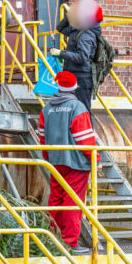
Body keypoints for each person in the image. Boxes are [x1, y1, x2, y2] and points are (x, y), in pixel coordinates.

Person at [38, 71, 97, 254]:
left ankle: (53, 237)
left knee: (56, 199)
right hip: (76, 163)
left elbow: (42, 137)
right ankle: (70, 242)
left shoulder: (46, 109)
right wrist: (95, 158)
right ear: (73, 87)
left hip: (56, 161)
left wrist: (48, 157)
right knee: (73, 201)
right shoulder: (77, 107)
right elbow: (84, 137)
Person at [48, 0, 103, 113]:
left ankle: (88, 131)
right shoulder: (77, 30)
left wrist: (61, 53)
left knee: (82, 111)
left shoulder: (86, 34)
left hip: (81, 78)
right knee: (71, 110)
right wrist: (69, 15)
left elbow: (82, 57)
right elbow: (60, 28)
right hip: (72, 74)